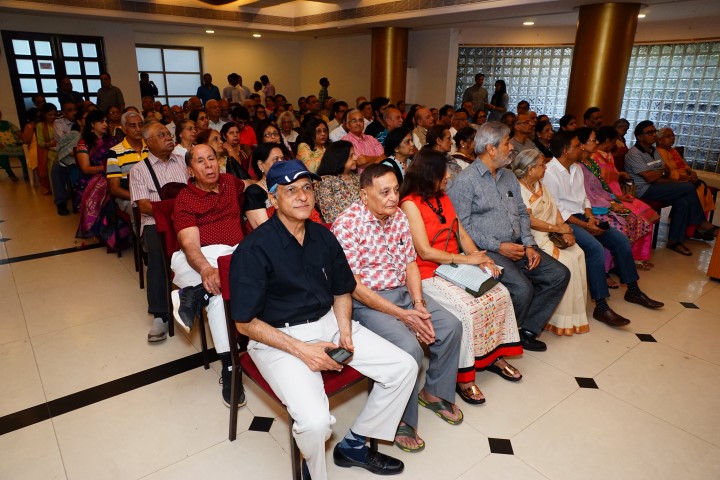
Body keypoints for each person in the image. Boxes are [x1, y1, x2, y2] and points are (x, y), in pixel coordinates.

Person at [231, 159, 414, 479]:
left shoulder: (323, 237)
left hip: (328, 322)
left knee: (404, 367)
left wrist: (344, 331)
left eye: (307, 187)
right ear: (273, 199)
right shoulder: (253, 249)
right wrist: (302, 350)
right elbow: (244, 323)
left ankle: (354, 444)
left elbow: (342, 289)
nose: (302, 196)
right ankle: (315, 472)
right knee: (315, 423)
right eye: (291, 190)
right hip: (276, 338)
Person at [333, 163, 463, 453]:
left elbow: (410, 264)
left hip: (403, 293)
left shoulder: (399, 216)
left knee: (451, 327)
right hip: (367, 303)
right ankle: (402, 419)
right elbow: (354, 287)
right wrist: (404, 316)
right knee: (409, 348)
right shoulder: (347, 224)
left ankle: (434, 392)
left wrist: (418, 305)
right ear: (364, 195)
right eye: (385, 192)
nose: (393, 197)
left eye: (395, 190)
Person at [400, 149, 523, 404]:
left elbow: (461, 233)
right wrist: (468, 260)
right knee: (466, 310)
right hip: (428, 272)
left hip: (453, 264)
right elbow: (424, 251)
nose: (448, 177)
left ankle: (493, 356)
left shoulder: (441, 196)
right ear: (429, 173)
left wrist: (480, 257)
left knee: (499, 293)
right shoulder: (410, 204)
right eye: (443, 173)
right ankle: (464, 377)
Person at [447, 122, 570, 352]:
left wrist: (529, 244)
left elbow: (522, 212)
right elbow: (461, 227)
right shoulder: (465, 181)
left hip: (518, 245)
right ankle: (498, 343)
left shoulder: (508, 176)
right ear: (490, 149)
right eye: (506, 143)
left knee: (558, 274)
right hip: (488, 250)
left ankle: (527, 330)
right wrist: (498, 246)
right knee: (522, 289)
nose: (511, 148)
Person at [544, 131, 664, 327]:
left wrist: (591, 218)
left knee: (620, 240)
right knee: (595, 248)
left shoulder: (576, 168)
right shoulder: (549, 173)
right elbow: (557, 210)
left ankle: (633, 290)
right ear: (566, 151)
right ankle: (601, 306)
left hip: (583, 218)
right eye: (577, 145)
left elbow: (584, 199)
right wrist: (585, 225)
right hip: (564, 223)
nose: (581, 148)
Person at [170, 143, 246, 407]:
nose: (209, 165)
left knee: (222, 285)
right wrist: (206, 270)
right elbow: (189, 244)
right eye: (200, 161)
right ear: (190, 170)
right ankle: (230, 365)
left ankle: (194, 294)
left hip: (236, 254)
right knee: (218, 293)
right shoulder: (186, 199)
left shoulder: (230, 183)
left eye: (211, 158)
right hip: (204, 254)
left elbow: (248, 184)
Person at [512, 149, 589, 335]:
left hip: (551, 233)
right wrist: (556, 229)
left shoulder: (540, 185)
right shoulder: (517, 189)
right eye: (541, 165)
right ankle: (557, 318)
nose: (545, 167)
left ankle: (574, 316)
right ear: (530, 169)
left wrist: (564, 229)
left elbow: (555, 210)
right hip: (533, 238)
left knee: (579, 253)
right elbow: (528, 221)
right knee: (567, 262)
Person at [130, 122, 189, 342]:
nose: (169, 137)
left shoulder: (183, 161)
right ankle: (160, 314)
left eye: (169, 134)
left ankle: (205, 297)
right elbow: (144, 206)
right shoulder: (139, 170)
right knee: (157, 254)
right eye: (162, 135)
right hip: (155, 221)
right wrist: (174, 208)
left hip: (187, 218)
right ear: (149, 142)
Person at [624, 121, 716, 256]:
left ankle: (675, 241)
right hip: (642, 190)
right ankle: (701, 223)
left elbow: (666, 169)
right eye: (650, 133)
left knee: (682, 202)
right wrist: (660, 172)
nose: (654, 135)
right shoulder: (634, 154)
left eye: (654, 131)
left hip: (657, 185)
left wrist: (660, 173)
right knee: (688, 187)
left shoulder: (654, 150)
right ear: (639, 136)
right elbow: (649, 177)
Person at [576, 127, 655, 274]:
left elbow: (601, 188)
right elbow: (588, 195)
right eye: (593, 140)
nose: (597, 143)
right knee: (618, 229)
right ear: (582, 145)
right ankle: (604, 271)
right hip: (593, 208)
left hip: (603, 202)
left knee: (634, 219)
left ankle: (621, 263)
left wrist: (614, 200)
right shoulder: (579, 167)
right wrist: (611, 206)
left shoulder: (591, 162)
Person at [74, 110, 121, 247]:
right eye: (101, 122)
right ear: (92, 124)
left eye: (106, 121)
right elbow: (85, 168)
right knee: (105, 188)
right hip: (92, 179)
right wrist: (105, 168)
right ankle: (104, 231)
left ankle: (121, 230)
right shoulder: (84, 143)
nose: (105, 124)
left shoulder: (113, 141)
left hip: (114, 174)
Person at [656, 127, 715, 215]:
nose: (672, 138)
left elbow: (684, 164)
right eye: (668, 136)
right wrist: (685, 177)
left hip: (685, 178)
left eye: (673, 135)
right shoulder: (658, 152)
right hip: (674, 181)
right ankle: (694, 221)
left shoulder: (672, 150)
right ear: (660, 140)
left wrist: (691, 172)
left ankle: (699, 220)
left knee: (704, 190)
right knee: (696, 193)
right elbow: (667, 173)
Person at [106, 112, 148, 216]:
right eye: (133, 126)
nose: (138, 129)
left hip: (153, 194)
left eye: (140, 125)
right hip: (129, 197)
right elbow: (114, 189)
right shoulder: (115, 152)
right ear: (124, 129)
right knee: (142, 212)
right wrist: (139, 198)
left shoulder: (151, 147)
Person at [315, 140, 360, 223]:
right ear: (339, 158)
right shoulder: (325, 182)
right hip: (343, 226)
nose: (355, 158)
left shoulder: (358, 178)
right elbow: (331, 216)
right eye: (351, 155)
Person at [242, 142, 283, 230]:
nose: (281, 163)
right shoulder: (254, 192)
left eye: (282, 159)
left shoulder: (288, 185)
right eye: (276, 159)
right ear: (261, 165)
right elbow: (266, 231)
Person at [36, 103, 58, 194]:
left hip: (60, 149)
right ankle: (55, 191)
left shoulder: (58, 123)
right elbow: (40, 143)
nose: (53, 117)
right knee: (52, 170)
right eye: (50, 114)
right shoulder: (40, 125)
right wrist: (51, 143)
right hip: (48, 151)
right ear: (44, 114)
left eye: (54, 114)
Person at [0, 110, 27, 182]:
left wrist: (25, 140)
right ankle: (11, 174)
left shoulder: (7, 123)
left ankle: (26, 173)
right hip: (2, 148)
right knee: (2, 158)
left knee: (24, 156)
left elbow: (17, 132)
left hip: (16, 145)